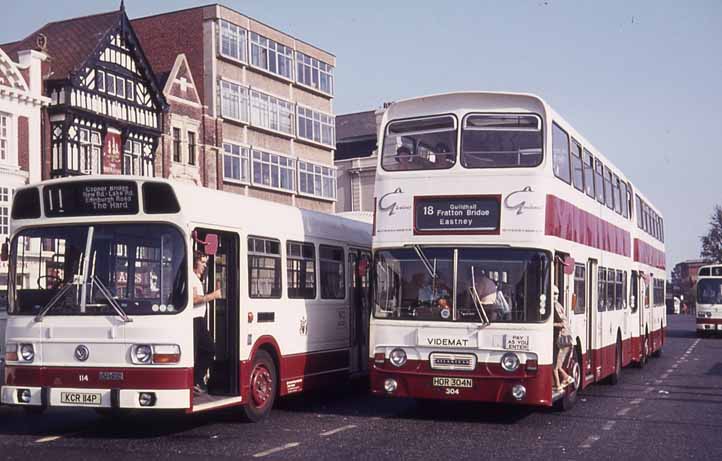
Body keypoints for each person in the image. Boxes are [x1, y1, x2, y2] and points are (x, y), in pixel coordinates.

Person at [191, 252, 222, 395]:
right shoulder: (191, 277)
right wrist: (213, 296)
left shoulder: (196, 278)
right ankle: (196, 381)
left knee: (201, 351)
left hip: (199, 319)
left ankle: (196, 381)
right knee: (209, 349)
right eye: (202, 262)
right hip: (195, 319)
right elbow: (194, 299)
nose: (204, 266)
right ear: (195, 262)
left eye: (205, 263)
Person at [553, 285, 574, 391]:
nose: (554, 296)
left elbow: (563, 324)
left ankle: (558, 386)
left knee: (555, 366)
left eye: (556, 293)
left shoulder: (555, 306)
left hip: (562, 339)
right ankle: (565, 379)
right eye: (553, 293)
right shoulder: (558, 305)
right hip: (565, 339)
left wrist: (550, 324)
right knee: (557, 365)